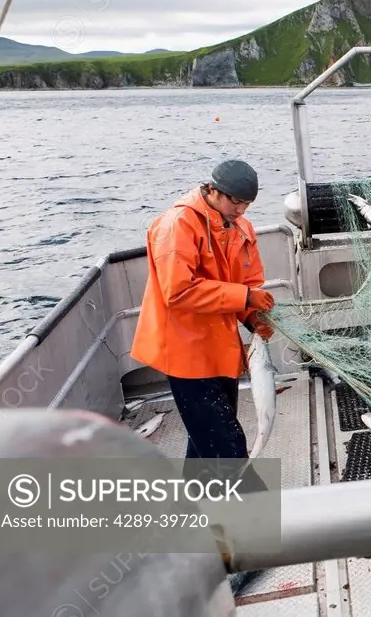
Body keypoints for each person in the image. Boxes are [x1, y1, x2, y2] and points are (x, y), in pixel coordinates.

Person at [130, 159, 275, 493]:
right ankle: (257, 527)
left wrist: (253, 317)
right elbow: (178, 291)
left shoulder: (242, 227)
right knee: (228, 447)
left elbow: (248, 280)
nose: (241, 209)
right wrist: (245, 297)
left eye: (247, 203)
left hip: (221, 350)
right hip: (183, 352)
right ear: (213, 190)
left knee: (207, 438)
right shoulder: (177, 225)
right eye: (235, 201)